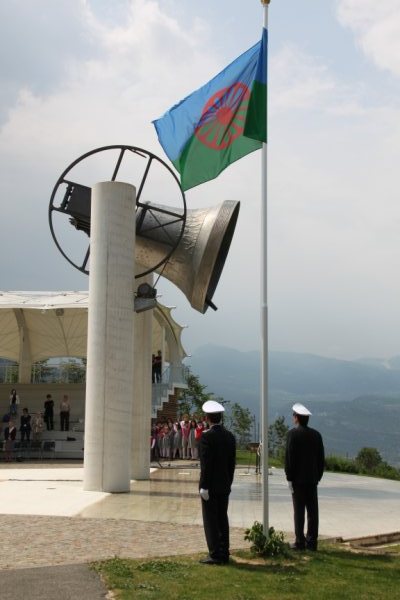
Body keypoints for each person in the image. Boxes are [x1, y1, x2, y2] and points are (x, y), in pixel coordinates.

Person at [198, 400, 236, 565]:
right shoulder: (230, 436)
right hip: (224, 484)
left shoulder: (207, 437)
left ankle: (215, 553)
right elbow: (231, 463)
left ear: (207, 417)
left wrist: (204, 486)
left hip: (211, 486)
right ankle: (224, 551)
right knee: (222, 518)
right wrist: (229, 481)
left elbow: (206, 464)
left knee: (211, 520)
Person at [285, 402, 325, 551]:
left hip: (297, 480)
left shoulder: (292, 434)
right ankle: (312, 542)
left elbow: (289, 458)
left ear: (296, 418)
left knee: (299, 512)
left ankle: (299, 541)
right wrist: (318, 476)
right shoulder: (316, 435)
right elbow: (321, 459)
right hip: (312, 480)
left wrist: (289, 478)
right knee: (313, 512)